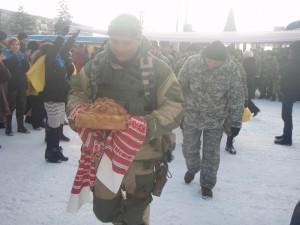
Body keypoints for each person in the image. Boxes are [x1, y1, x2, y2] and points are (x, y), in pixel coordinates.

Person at [67, 14, 184, 225]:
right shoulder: (96, 66)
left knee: (136, 214)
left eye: (126, 43)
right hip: (104, 153)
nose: (120, 48)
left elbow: (176, 105)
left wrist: (147, 125)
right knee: (103, 211)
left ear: (139, 40)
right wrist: (77, 112)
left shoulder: (158, 69)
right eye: (115, 41)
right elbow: (77, 92)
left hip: (143, 154)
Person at [178, 41, 244, 198]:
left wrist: (235, 122)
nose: (212, 64)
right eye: (210, 60)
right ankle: (193, 168)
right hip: (192, 116)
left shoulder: (231, 68)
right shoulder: (192, 62)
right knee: (189, 148)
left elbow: (236, 96)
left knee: (212, 154)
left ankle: (207, 184)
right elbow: (179, 87)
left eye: (217, 62)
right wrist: (178, 113)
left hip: (216, 119)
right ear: (204, 55)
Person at [41, 32, 78, 163]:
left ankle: (56, 150)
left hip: (60, 97)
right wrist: (62, 35)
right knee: (53, 126)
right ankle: (50, 152)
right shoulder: (49, 60)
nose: (57, 50)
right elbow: (58, 47)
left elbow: (65, 48)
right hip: (52, 98)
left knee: (58, 126)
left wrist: (73, 37)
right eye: (54, 49)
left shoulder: (59, 59)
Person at [274, 41, 300, 146]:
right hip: (290, 90)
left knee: (286, 115)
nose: (289, 52)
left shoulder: (295, 61)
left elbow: (284, 70)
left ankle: (287, 138)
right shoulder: (294, 60)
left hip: (290, 91)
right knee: (286, 115)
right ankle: (286, 135)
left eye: (291, 50)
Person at [3, 38, 30, 135]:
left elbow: (27, 69)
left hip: (21, 84)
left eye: (17, 44)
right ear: (9, 46)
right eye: (14, 44)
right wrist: (15, 56)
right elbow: (7, 69)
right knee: (10, 107)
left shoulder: (22, 56)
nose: (16, 46)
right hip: (11, 85)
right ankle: (8, 128)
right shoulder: (5, 56)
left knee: (21, 106)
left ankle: (21, 126)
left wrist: (25, 58)